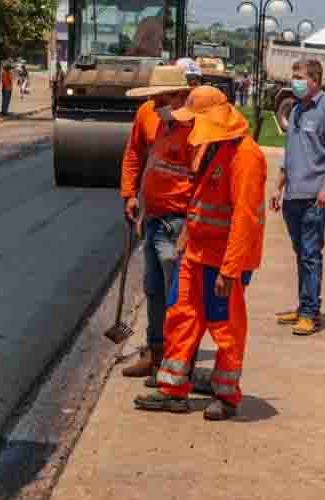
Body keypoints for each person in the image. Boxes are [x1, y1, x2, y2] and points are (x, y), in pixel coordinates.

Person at [135, 86, 267, 420]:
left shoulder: (246, 156)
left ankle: (226, 395)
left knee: (225, 326)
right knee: (181, 316)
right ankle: (173, 390)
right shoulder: (214, 149)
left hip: (223, 260)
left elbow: (245, 219)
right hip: (195, 252)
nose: (190, 127)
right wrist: (184, 244)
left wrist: (230, 269)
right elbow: (200, 201)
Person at [119, 64, 195, 383]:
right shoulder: (149, 116)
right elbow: (135, 155)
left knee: (177, 295)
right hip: (153, 217)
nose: (155, 105)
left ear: (180, 96)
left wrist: (191, 226)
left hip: (179, 222)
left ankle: (177, 361)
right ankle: (155, 352)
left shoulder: (195, 126)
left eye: (161, 99)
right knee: (153, 289)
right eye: (153, 99)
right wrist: (130, 195)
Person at [270, 59, 325, 335]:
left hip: (315, 197)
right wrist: (278, 187)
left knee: (310, 254)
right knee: (301, 254)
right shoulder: (295, 111)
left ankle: (310, 313)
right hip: (293, 195)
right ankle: (303, 304)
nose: (293, 81)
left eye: (298, 76)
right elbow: (289, 152)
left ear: (314, 80)